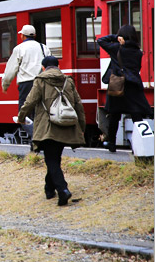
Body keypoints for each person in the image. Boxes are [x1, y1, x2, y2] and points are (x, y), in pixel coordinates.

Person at [17, 56, 86, 206]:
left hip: (48, 127)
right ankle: (49, 189)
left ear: (43, 67)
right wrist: (81, 127)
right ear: (57, 66)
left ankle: (63, 190)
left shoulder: (41, 80)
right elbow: (78, 105)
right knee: (54, 158)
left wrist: (21, 117)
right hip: (66, 125)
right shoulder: (68, 81)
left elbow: (30, 101)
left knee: (51, 160)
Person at [98, 24, 152, 152]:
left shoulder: (117, 48)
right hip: (133, 85)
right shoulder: (138, 52)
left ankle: (111, 143)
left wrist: (116, 37)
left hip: (119, 84)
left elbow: (101, 40)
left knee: (114, 115)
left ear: (121, 36)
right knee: (137, 115)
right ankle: (141, 145)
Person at [2, 25, 52, 113]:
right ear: (35, 36)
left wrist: (5, 85)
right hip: (42, 83)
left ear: (22, 36)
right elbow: (50, 65)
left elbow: (10, 70)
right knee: (41, 111)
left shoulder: (19, 49)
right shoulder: (44, 47)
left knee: (25, 114)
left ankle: (29, 126)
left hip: (26, 84)